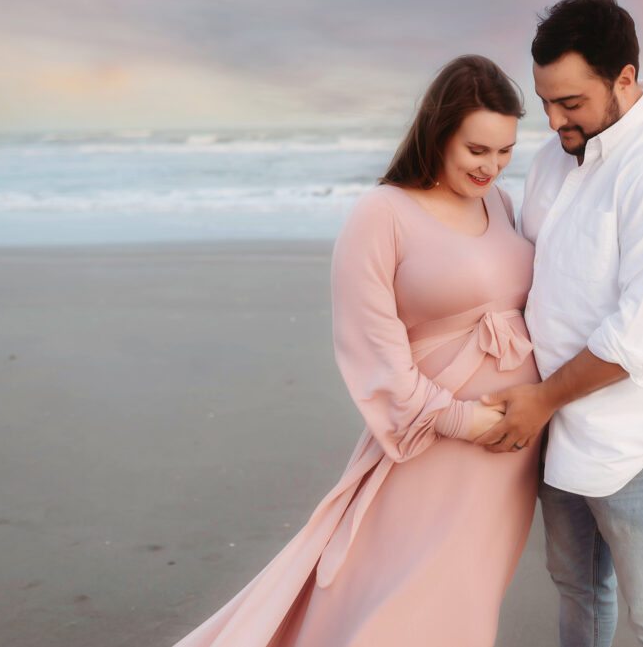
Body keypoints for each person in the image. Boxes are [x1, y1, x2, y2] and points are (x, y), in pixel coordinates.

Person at [172, 55, 541, 647]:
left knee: (466, 598)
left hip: (508, 455)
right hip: (434, 443)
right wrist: (461, 418)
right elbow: (372, 347)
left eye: (504, 152)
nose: (491, 167)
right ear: (439, 131)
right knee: (399, 597)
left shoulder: (497, 204)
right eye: (477, 150)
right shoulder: (382, 213)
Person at [477, 0, 643, 647]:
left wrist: (539, 399)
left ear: (625, 77)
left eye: (571, 102)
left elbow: (638, 335)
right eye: (546, 103)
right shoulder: (553, 157)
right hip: (562, 430)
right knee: (581, 593)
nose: (556, 120)